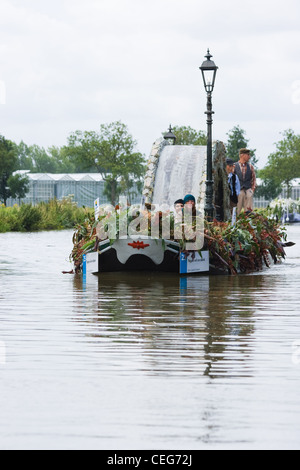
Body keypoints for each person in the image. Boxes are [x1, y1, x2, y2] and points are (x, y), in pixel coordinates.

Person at [234, 149, 257, 215]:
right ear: (242, 155)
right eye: (248, 155)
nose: (249, 157)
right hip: (239, 190)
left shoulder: (250, 166)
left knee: (249, 209)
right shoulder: (235, 166)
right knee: (237, 207)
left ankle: (249, 220)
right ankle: (235, 220)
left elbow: (254, 179)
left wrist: (252, 189)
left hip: (248, 189)